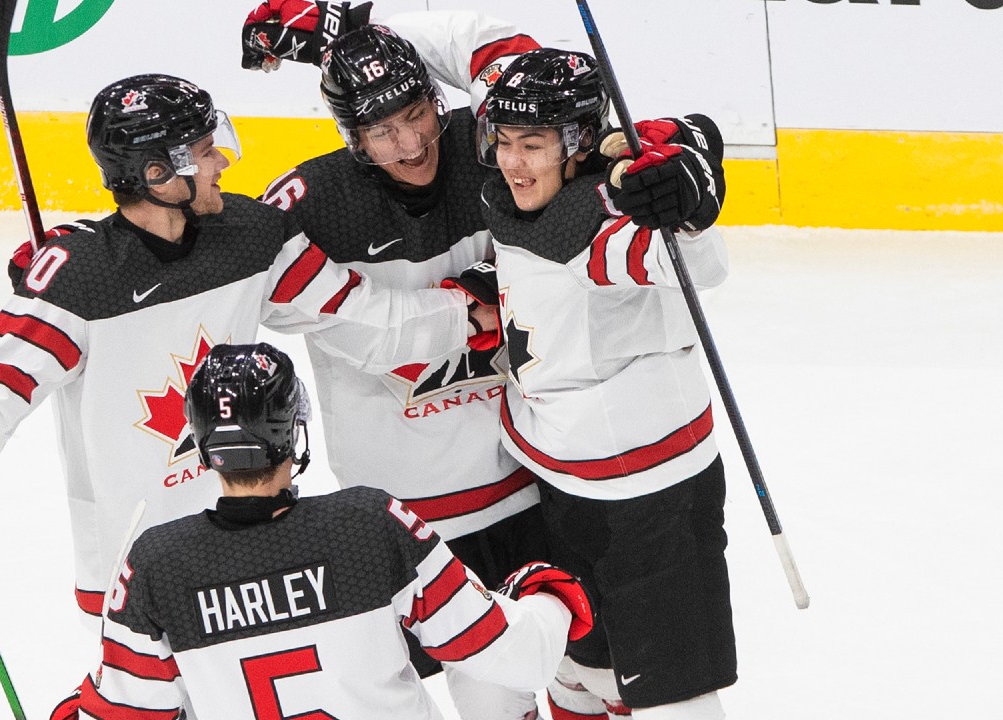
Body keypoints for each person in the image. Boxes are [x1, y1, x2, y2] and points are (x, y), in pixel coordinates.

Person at [0, 73, 496, 718]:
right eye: (204, 150)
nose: (223, 158)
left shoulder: (254, 236)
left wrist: (467, 311)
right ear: (155, 172)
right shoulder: (80, 277)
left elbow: (358, 317)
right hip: (132, 568)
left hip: (250, 548)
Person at [240, 8, 621, 718]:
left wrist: (356, 23)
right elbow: (259, 287)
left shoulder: (493, 148)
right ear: (350, 135)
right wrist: (460, 311)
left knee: (583, 674)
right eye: (382, 131)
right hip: (398, 522)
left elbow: (516, 57)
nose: (412, 142)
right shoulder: (311, 202)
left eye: (418, 112)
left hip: (522, 488)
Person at [80, 341, 596, 720]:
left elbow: (121, 714)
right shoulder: (366, 524)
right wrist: (543, 591)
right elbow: (512, 656)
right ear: (292, 431)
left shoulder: (156, 564)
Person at [475, 47, 737, 720]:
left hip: (647, 494)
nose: (512, 161)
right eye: (503, 141)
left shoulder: (604, 221)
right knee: (580, 668)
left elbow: (691, 262)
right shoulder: (517, 196)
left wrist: (693, 202)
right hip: (560, 477)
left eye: (531, 144)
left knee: (671, 693)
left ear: (577, 143)